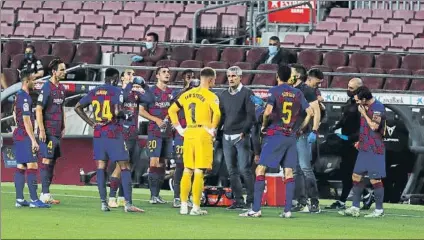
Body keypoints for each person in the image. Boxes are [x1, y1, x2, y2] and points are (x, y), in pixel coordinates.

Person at [239, 65, 313, 218]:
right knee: (288, 172)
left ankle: (256, 209)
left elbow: (267, 112)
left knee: (260, 170)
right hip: (291, 136)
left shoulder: (274, 91)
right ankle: (287, 211)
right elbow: (310, 113)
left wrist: (264, 125)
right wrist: (300, 129)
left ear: (278, 76)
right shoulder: (297, 93)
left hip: (276, 135)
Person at [74, 68, 144, 213]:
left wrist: (92, 123)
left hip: (98, 133)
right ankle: (128, 204)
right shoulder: (115, 91)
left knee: (101, 167)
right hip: (113, 132)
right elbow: (117, 111)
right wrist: (126, 115)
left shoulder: (94, 91)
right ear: (115, 78)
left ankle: (103, 203)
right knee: (125, 166)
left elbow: (77, 107)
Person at [168, 67, 221, 215]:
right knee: (199, 171)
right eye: (214, 79)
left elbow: (171, 110)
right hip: (202, 133)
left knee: (187, 170)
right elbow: (216, 113)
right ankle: (196, 207)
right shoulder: (211, 96)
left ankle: (183, 205)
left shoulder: (187, 94)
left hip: (189, 133)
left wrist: (179, 128)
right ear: (210, 79)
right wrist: (212, 128)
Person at [107, 68, 154, 208]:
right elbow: (119, 105)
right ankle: (111, 197)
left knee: (130, 165)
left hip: (134, 133)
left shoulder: (135, 93)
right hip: (121, 133)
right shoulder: (118, 91)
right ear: (122, 78)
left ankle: (121, 196)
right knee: (120, 165)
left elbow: (151, 100)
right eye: (128, 73)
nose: (132, 76)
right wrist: (130, 84)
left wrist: (144, 86)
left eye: (133, 74)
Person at [339, 86, 387, 218]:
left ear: (365, 99)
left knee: (375, 180)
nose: (357, 103)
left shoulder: (378, 107)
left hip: (375, 148)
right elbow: (365, 128)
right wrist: (360, 141)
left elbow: (374, 126)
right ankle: (355, 207)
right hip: (364, 147)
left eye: (359, 101)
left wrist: (364, 114)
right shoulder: (363, 106)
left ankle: (379, 210)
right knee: (356, 176)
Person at [218, 66, 256, 210]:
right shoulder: (223, 95)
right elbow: (222, 116)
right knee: (232, 171)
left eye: (234, 76)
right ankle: (238, 201)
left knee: (244, 170)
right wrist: (215, 130)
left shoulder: (247, 93)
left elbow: (251, 115)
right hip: (226, 136)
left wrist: (244, 131)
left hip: (241, 136)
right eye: (229, 76)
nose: (231, 78)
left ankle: (251, 200)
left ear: (240, 77)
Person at [13, 70, 50, 208]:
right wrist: (33, 140)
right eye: (33, 80)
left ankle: (20, 199)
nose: (36, 83)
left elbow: (13, 113)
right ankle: (34, 200)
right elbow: (26, 120)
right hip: (25, 135)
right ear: (26, 81)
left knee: (21, 165)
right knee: (32, 165)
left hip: (19, 134)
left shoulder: (18, 96)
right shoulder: (25, 98)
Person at [326, 78, 365, 210]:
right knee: (346, 171)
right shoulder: (350, 102)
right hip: (346, 142)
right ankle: (364, 196)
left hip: (355, 143)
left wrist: (350, 138)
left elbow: (363, 127)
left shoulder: (362, 105)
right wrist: (336, 127)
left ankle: (346, 200)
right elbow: (344, 119)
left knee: (351, 172)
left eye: (351, 88)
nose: (348, 90)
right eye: (348, 87)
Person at [140, 66, 176, 204]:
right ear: (157, 75)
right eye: (164, 72)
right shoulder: (149, 92)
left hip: (168, 133)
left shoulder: (171, 93)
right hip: (154, 131)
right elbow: (141, 110)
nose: (167, 74)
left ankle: (157, 194)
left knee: (163, 163)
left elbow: (174, 110)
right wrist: (156, 119)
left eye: (168, 72)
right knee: (154, 162)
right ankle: (153, 195)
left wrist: (174, 121)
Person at [290, 64, 321, 213]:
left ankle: (314, 201)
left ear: (298, 75)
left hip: (302, 134)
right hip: (290, 134)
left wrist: (314, 130)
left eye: (291, 72)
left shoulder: (307, 90)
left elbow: (316, 111)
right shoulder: (288, 89)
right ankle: (301, 201)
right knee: (296, 170)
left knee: (305, 168)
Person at [36, 58, 66, 205]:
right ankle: (44, 194)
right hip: (47, 130)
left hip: (57, 130)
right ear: (54, 72)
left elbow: (61, 108)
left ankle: (47, 192)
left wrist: (64, 125)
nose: (64, 72)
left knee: (53, 160)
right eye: (61, 69)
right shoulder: (46, 87)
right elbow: (39, 109)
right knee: (47, 160)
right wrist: (41, 130)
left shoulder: (61, 88)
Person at [172, 69, 196, 208]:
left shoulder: (199, 94)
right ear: (183, 79)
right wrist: (187, 89)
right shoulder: (177, 93)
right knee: (180, 166)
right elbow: (173, 106)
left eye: (193, 77)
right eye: (188, 77)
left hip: (195, 134)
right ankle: (177, 197)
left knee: (194, 166)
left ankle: (192, 195)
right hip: (181, 134)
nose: (191, 80)